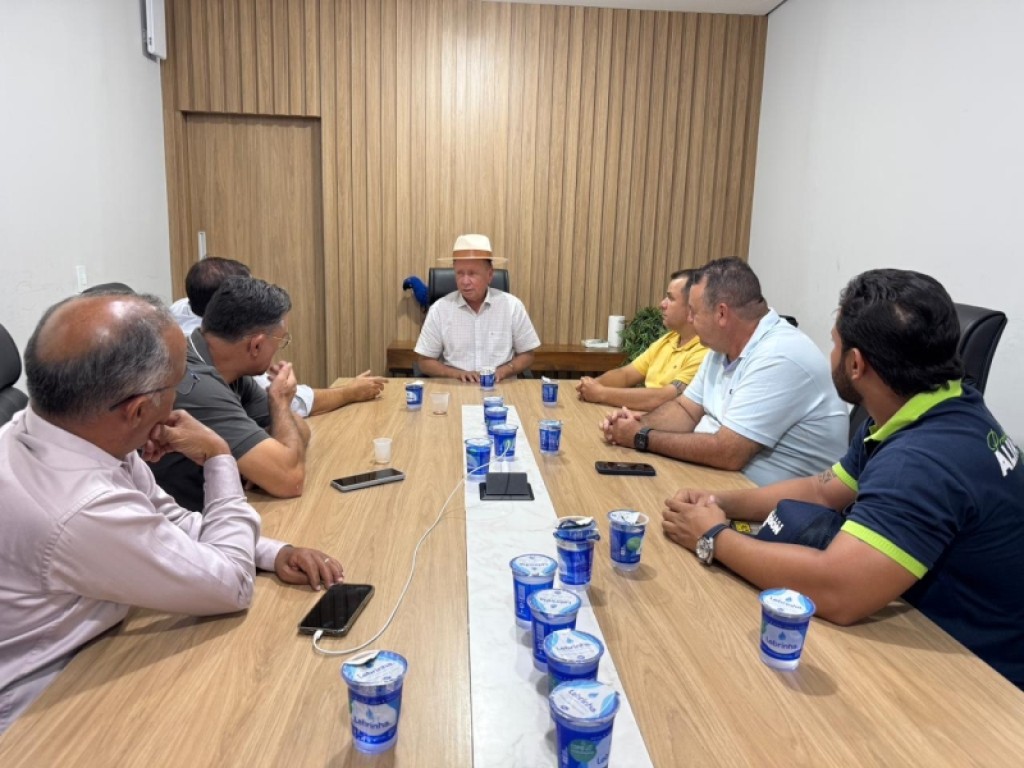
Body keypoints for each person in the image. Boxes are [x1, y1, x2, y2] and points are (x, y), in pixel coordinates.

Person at [661, 268, 1024, 688]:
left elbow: (838, 592)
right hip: (925, 623)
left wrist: (713, 537)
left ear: (855, 363)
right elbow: (823, 490)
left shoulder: (921, 460)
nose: (830, 352)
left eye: (834, 343)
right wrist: (720, 502)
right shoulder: (940, 404)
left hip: (981, 680)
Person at [0, 292, 343, 734]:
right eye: (177, 383)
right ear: (138, 410)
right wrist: (219, 456)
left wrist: (273, 552)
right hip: (46, 707)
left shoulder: (62, 431)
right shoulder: (81, 506)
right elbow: (231, 585)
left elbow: (168, 524)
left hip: (103, 642)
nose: (180, 396)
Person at [602, 258, 847, 485]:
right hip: (721, 481)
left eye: (694, 312)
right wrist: (637, 424)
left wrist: (642, 436)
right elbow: (685, 410)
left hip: (773, 504)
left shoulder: (779, 354)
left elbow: (728, 452)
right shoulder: (721, 348)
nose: (689, 319)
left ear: (721, 313)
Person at [151, 277, 312, 510]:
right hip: (180, 523)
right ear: (256, 346)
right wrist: (280, 402)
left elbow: (302, 432)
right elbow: (290, 480)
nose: (280, 348)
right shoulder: (196, 384)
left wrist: (267, 461)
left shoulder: (228, 369)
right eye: (281, 340)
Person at [171, 257, 385, 415]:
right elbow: (291, 405)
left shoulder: (183, 310)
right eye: (247, 292)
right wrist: (350, 392)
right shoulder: (228, 354)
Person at [415, 234, 541, 382]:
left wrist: (505, 370)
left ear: (490, 275)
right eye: (459, 273)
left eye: (472, 273)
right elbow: (424, 362)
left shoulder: (512, 306)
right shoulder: (440, 309)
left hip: (501, 386)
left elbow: (528, 354)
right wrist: (456, 374)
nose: (465, 281)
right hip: (456, 387)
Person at [576, 269, 708, 411]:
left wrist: (601, 393)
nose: (662, 304)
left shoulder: (705, 351)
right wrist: (591, 385)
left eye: (670, 298)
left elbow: (664, 398)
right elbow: (626, 375)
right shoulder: (668, 339)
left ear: (691, 307)